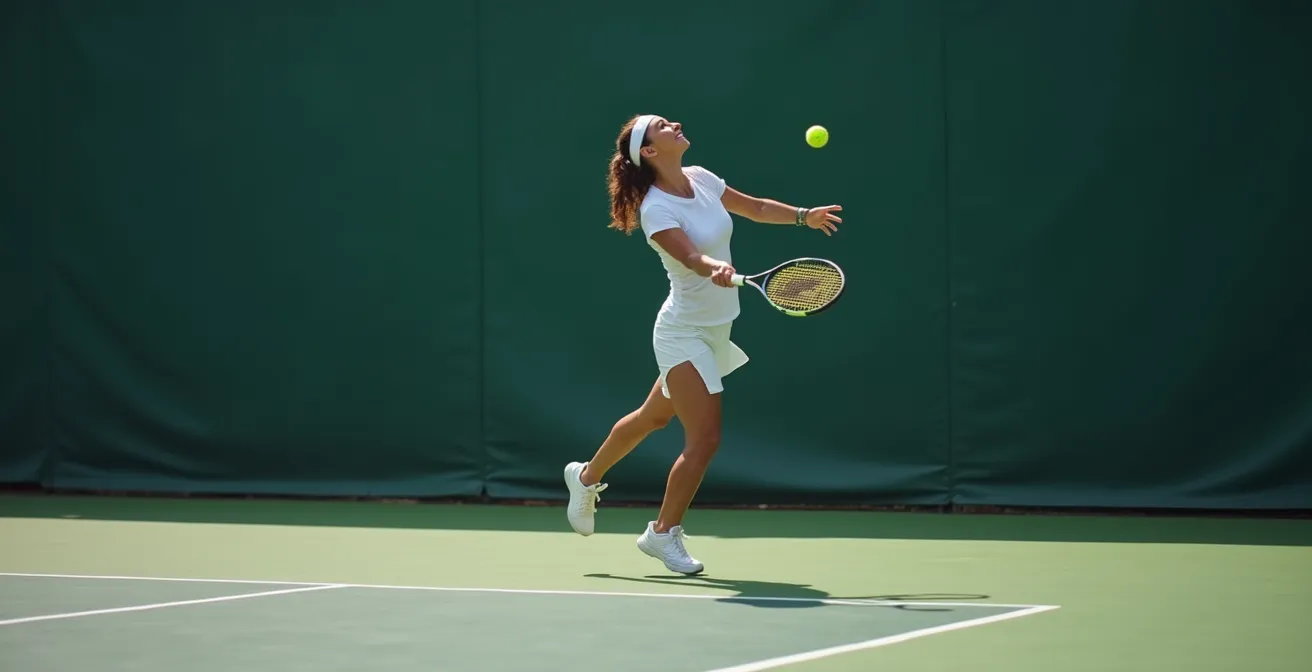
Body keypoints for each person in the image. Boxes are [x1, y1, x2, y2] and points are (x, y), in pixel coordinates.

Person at [563, 114, 843, 574]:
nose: (674, 124)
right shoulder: (656, 210)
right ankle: (661, 533)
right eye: (661, 127)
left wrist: (801, 217)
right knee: (705, 438)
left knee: (652, 417)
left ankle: (586, 475)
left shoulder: (701, 178)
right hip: (682, 332)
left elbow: (752, 207)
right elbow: (690, 257)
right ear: (649, 152)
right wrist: (712, 266)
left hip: (717, 327)